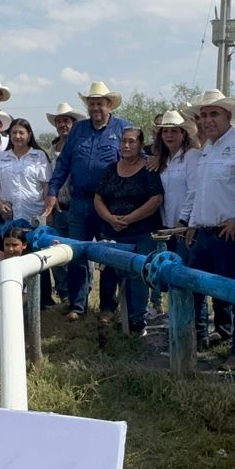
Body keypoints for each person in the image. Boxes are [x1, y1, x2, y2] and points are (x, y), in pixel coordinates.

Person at [177, 91, 235, 370]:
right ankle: (195, 340)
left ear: (228, 117)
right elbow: (201, 192)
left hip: (231, 235)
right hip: (204, 233)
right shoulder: (208, 148)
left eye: (214, 114)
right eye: (203, 115)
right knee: (194, 289)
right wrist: (192, 223)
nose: (207, 120)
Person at [46, 81, 131, 321]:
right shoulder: (78, 129)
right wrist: (52, 190)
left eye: (100, 103)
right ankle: (78, 305)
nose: (95, 108)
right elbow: (64, 164)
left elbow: (136, 157)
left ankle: (107, 307)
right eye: (92, 103)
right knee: (76, 254)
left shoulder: (123, 128)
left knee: (109, 254)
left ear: (108, 105)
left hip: (110, 204)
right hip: (80, 202)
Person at [93, 128, 163, 335]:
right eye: (123, 141)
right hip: (112, 230)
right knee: (109, 271)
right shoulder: (111, 168)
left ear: (141, 145)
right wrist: (110, 218)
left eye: (131, 142)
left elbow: (156, 199)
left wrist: (130, 218)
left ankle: (136, 320)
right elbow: (98, 198)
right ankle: (107, 310)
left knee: (137, 273)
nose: (126, 146)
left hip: (142, 231)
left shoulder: (149, 168)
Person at [150, 108, 199, 323]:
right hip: (166, 225)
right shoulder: (163, 160)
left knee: (186, 274)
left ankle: (194, 324)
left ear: (184, 134)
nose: (169, 136)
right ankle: (178, 317)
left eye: (174, 131)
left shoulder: (191, 156)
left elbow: (194, 190)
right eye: (165, 132)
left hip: (183, 226)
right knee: (172, 273)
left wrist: (184, 220)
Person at [41, 102, 86, 308]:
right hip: (57, 206)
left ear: (73, 123)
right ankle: (64, 293)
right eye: (59, 121)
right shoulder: (51, 148)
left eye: (66, 120)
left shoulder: (81, 144)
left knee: (80, 252)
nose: (62, 125)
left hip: (77, 205)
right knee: (56, 250)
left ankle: (82, 295)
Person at [0, 118, 52, 226]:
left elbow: (46, 185)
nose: (17, 136)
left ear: (29, 135)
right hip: (10, 215)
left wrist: (47, 210)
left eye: (21, 133)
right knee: (13, 242)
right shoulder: (1, 157)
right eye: (14, 133)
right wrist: (0, 205)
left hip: (35, 214)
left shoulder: (39, 156)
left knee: (35, 242)